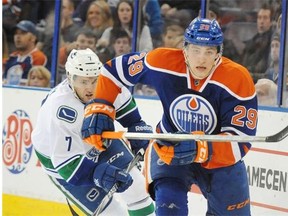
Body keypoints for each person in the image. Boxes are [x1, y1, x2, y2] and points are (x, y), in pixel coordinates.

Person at [81, 18, 258, 215]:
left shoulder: (237, 79)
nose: (201, 59)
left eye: (209, 52)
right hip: (169, 148)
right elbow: (112, 71)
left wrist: (201, 148)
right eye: (196, 50)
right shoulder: (161, 61)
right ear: (185, 49)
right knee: (169, 208)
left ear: (218, 53)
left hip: (220, 160)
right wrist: (100, 106)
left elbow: (241, 141)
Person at [31, 48, 155, 216]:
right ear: (70, 78)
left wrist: (138, 132)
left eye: (93, 80)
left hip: (99, 142)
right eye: (83, 82)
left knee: (137, 189)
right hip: (65, 163)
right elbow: (68, 166)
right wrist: (96, 173)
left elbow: (133, 120)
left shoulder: (107, 83)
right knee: (112, 213)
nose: (90, 89)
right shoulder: (60, 108)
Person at [3, 20, 47, 85]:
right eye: (16, 33)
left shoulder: (38, 57)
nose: (17, 36)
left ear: (33, 38)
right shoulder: (12, 56)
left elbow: (35, 83)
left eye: (23, 33)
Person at [241, 3, 274, 83]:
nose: (261, 21)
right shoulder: (251, 41)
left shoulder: (272, 42)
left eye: (265, 18)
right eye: (259, 18)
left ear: (271, 21)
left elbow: (264, 69)